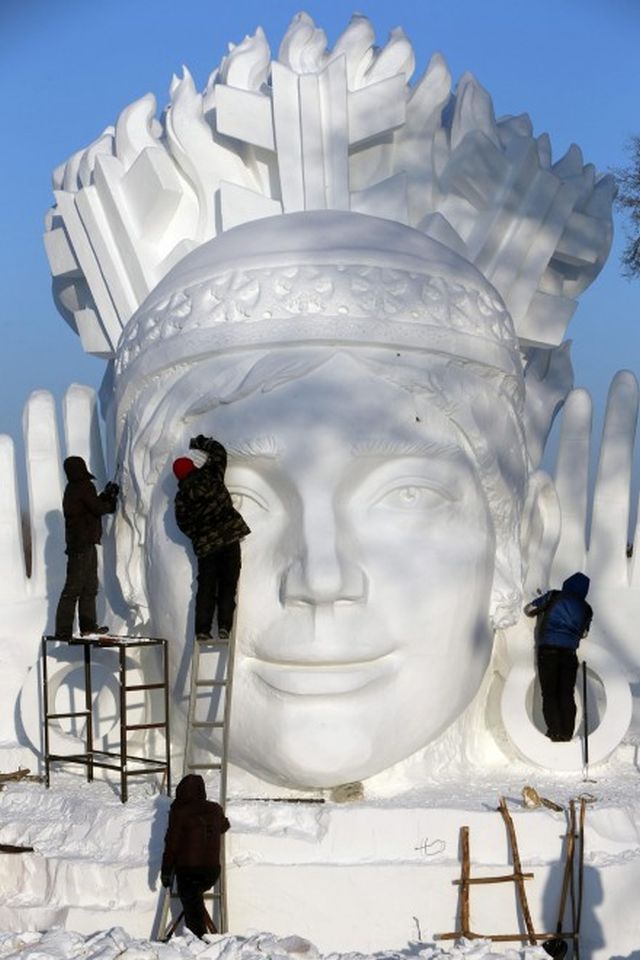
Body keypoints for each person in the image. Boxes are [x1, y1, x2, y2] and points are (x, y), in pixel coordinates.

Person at [173, 436, 250, 641]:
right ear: (192, 466)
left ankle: (202, 629)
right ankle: (224, 625)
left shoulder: (182, 498)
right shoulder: (211, 474)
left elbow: (183, 524)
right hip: (229, 537)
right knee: (228, 583)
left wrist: (200, 534)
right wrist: (200, 442)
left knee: (206, 587)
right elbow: (219, 452)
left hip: (207, 547)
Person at [54, 456, 119, 640]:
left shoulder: (72, 488)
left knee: (87, 586)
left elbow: (89, 506)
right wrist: (111, 502)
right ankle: (68, 629)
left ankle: (83, 627)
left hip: (80, 543)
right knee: (77, 587)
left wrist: (104, 497)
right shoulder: (84, 486)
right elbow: (97, 508)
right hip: (83, 543)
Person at [525, 572, 593, 742]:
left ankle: (555, 731)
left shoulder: (554, 596)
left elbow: (530, 610)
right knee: (566, 693)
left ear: (567, 583)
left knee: (549, 693)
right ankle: (566, 733)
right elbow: (584, 633)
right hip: (569, 655)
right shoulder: (587, 609)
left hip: (548, 651)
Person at [160, 773, 230, 938]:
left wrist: (166, 871)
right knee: (193, 902)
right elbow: (225, 826)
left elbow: (171, 843)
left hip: (188, 872)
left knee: (192, 906)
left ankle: (199, 941)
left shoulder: (179, 812)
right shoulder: (215, 809)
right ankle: (203, 937)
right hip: (212, 872)